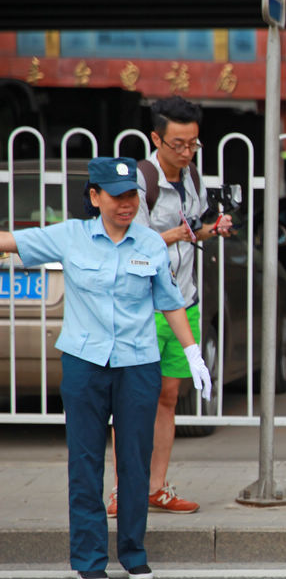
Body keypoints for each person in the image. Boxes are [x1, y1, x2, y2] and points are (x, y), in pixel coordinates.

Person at [0, 157, 212, 579]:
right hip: (84, 363)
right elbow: (10, 241)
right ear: (95, 197)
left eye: (132, 195)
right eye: (116, 196)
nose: (126, 204)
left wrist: (192, 352)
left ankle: (133, 553)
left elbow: (170, 301)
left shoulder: (150, 243)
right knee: (85, 461)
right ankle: (89, 558)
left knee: (134, 460)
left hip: (138, 365)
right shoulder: (72, 237)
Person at [107, 95, 231, 518]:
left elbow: (191, 229)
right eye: (177, 144)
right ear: (156, 137)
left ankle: (156, 487)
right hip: (143, 306)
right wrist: (175, 237)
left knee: (168, 397)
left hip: (184, 302)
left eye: (193, 144)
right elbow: (131, 244)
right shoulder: (141, 180)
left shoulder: (193, 177)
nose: (185, 152)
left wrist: (211, 230)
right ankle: (125, 490)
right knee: (134, 399)